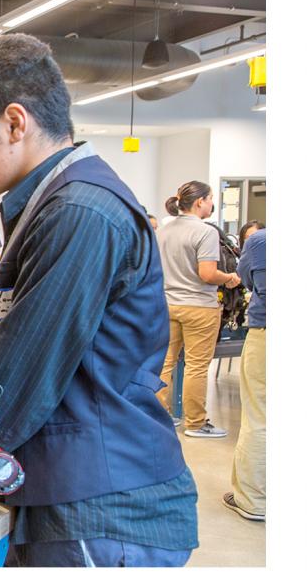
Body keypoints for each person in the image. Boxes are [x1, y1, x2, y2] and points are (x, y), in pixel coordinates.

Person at [0, 34, 198, 567]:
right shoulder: (42, 208)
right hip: (50, 496)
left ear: (15, 124)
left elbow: (19, 373)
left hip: (100, 510)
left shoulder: (81, 212)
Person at [155, 181, 241, 437]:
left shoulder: (164, 231)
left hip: (168, 304)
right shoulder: (205, 232)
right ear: (200, 202)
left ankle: (162, 417)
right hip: (199, 307)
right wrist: (229, 277)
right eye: (211, 198)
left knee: (165, 363)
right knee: (196, 366)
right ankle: (195, 422)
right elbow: (207, 274)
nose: (212, 203)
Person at [225, 226, 265, 521]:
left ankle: (254, 501)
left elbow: (246, 280)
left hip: (267, 331)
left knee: (260, 416)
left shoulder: (260, 242)